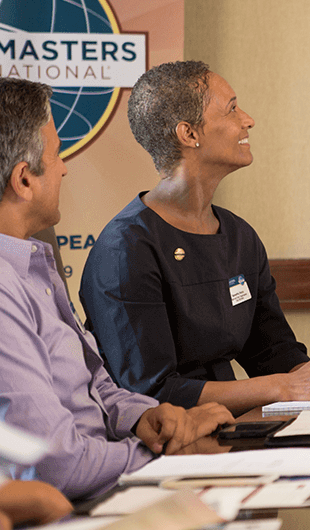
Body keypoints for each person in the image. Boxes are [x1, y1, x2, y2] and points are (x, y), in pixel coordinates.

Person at [81, 61, 310, 416]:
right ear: (189, 134)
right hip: (158, 449)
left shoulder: (239, 236)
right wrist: (288, 386)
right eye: (232, 108)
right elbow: (153, 393)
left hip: (228, 431)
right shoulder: (125, 250)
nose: (248, 119)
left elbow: (274, 355)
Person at [0, 78, 233, 499]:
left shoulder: (33, 265)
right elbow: (53, 464)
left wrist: (145, 418)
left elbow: (95, 385)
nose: (65, 167)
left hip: (116, 477)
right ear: (24, 180)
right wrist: (168, 457)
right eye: (55, 156)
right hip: (81, 502)